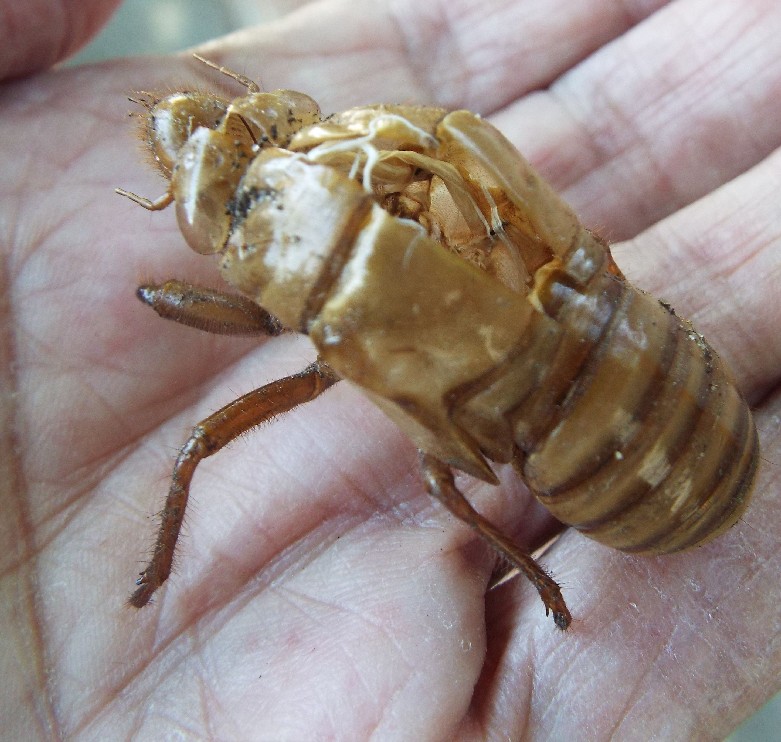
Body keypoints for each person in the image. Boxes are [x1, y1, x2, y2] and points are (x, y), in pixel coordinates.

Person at [2, 0, 779, 738]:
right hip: (642, 369)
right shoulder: (404, 153)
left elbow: (166, 304)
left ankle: (539, 572)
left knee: (222, 450)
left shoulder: (355, 229)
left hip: (622, 423)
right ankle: (540, 567)